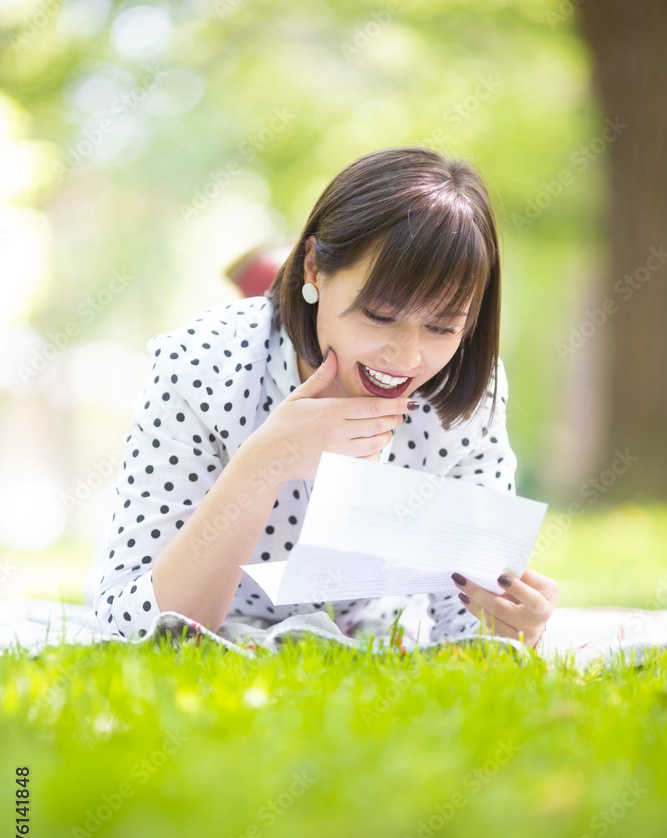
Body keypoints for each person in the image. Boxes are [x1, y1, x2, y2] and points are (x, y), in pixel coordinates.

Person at [86, 146, 558, 651]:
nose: (405, 357)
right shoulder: (200, 365)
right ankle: (271, 274)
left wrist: (517, 623)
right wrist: (266, 461)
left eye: (442, 327)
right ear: (313, 265)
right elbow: (128, 621)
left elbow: (464, 627)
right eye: (378, 315)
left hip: (372, 630)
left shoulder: (466, 391)